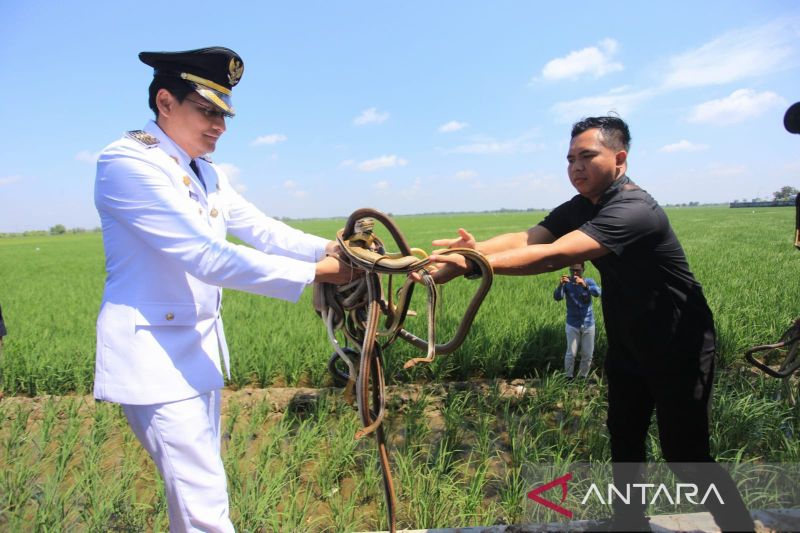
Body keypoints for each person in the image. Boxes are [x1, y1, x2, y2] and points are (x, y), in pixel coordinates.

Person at [429, 116, 754, 531]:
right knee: (624, 439)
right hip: (629, 342)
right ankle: (630, 523)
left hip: (679, 345)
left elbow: (556, 255)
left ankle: (739, 527)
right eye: (569, 159)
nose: (575, 167)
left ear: (619, 158)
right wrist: (465, 256)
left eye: (587, 156)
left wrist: (470, 267)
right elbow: (532, 238)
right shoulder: (586, 204)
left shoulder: (635, 209)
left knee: (686, 460)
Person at [94, 47, 355, 532]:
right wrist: (318, 272)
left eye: (223, 113)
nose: (220, 126)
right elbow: (204, 255)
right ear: (166, 102)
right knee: (203, 503)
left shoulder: (206, 171)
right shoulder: (128, 163)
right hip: (153, 357)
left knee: (197, 496)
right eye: (207, 111)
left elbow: (262, 229)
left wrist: (339, 247)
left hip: (197, 352)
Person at [553, 262, 600, 379]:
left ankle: (582, 377)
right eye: (572, 270)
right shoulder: (567, 284)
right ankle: (568, 377)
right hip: (572, 323)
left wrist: (585, 286)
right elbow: (557, 297)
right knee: (571, 353)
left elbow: (598, 292)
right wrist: (560, 285)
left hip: (588, 323)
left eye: (577, 270)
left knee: (587, 354)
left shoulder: (588, 281)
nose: (574, 273)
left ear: (583, 269)